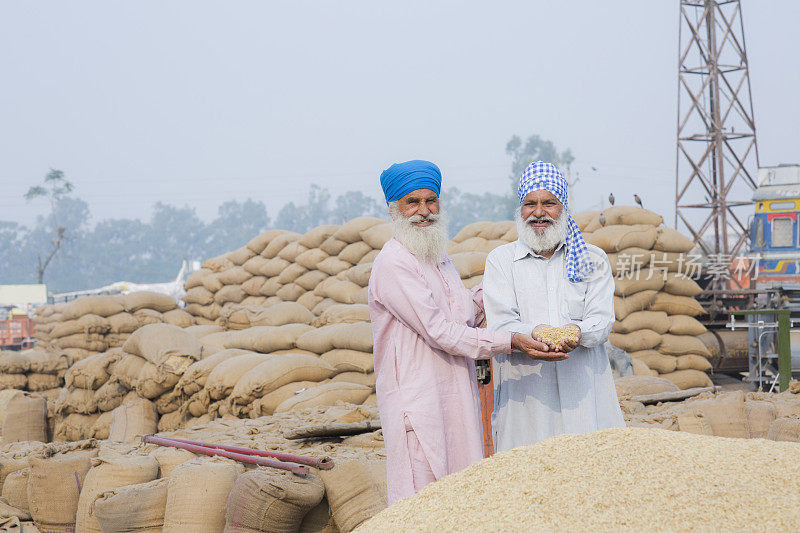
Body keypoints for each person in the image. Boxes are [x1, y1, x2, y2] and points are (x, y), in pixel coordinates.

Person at [368, 159, 565, 503]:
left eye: (431, 201)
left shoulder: (437, 257)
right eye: (412, 202)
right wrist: (510, 341)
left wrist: (503, 282)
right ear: (394, 209)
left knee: (461, 495)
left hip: (456, 396)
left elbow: (464, 313)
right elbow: (439, 331)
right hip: (418, 403)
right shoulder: (393, 263)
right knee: (424, 500)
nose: (424, 211)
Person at [483, 160, 624, 453]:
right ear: (520, 209)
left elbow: (601, 321)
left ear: (563, 208)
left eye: (549, 203)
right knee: (526, 474)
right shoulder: (500, 261)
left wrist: (576, 331)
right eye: (529, 203)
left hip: (584, 397)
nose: (538, 212)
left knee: (589, 471)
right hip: (526, 398)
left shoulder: (592, 259)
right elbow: (501, 324)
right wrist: (535, 333)